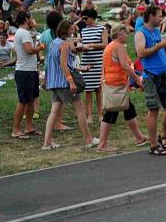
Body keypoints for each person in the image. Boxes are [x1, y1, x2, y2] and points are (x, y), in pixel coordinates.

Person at [41, 20, 99, 150]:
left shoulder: (53, 44)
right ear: (66, 30)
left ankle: (47, 143)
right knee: (80, 109)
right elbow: (63, 65)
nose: (73, 31)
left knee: (54, 112)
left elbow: (52, 64)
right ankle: (89, 139)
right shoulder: (64, 45)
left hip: (54, 82)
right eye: (71, 29)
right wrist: (71, 82)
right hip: (64, 83)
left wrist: (46, 81)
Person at [96, 23, 147, 152]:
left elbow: (105, 66)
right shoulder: (119, 46)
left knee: (128, 109)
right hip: (117, 84)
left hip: (112, 83)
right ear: (120, 34)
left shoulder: (109, 47)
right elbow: (125, 65)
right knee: (111, 113)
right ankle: (102, 144)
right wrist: (138, 80)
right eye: (125, 33)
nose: (127, 36)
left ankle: (139, 137)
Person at [135, 5, 166, 155]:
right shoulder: (141, 33)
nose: (161, 18)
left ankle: (163, 134)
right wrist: (160, 45)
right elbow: (141, 53)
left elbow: (156, 50)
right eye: (159, 15)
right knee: (153, 110)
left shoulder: (157, 31)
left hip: (164, 75)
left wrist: (165, 47)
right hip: (151, 77)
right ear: (151, 16)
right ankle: (153, 145)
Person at [12, 10, 43, 139]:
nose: (32, 20)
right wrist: (41, 47)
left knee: (31, 100)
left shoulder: (23, 32)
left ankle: (29, 127)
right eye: (30, 18)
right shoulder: (23, 33)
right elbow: (29, 50)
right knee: (23, 101)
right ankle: (16, 130)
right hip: (24, 72)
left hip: (30, 70)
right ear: (26, 19)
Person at [80, 9, 108, 123]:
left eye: (86, 18)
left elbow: (105, 44)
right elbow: (82, 43)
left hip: (98, 61)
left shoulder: (102, 29)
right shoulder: (83, 30)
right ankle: (89, 116)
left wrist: (91, 45)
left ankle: (100, 114)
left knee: (98, 89)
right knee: (88, 90)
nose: (85, 21)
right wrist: (81, 47)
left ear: (92, 18)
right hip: (86, 61)